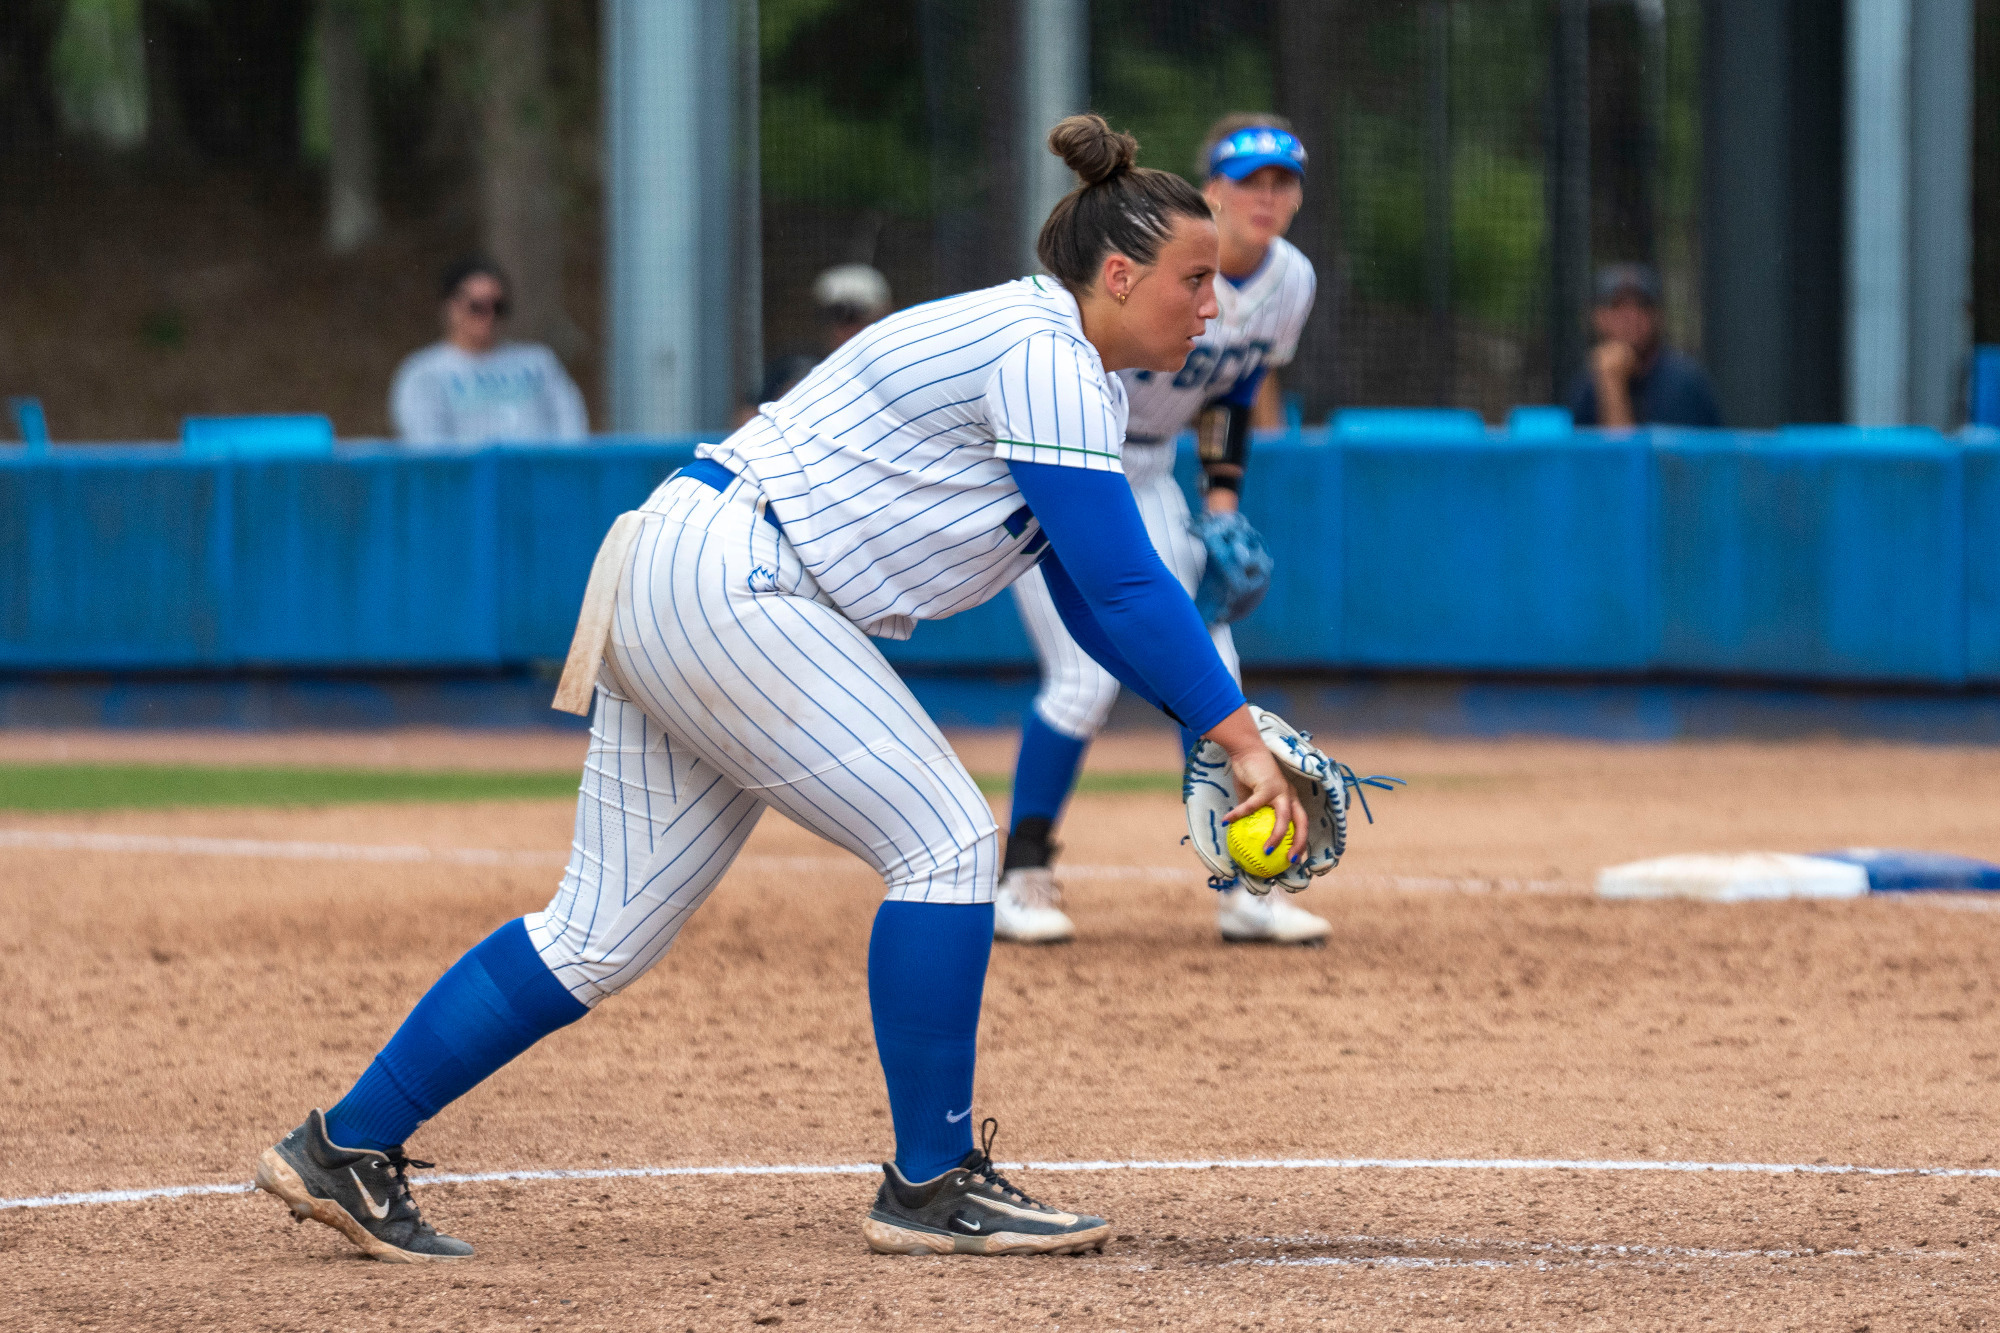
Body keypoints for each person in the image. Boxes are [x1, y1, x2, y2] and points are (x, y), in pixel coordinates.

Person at [252, 114, 1308, 1263]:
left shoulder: (1074, 378)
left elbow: (1102, 608)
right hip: (738, 579)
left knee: (596, 931)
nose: (1210, 308)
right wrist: (1237, 737)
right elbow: (1122, 581)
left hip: (692, 564)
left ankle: (343, 1145)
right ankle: (930, 1180)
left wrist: (1217, 733)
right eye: (1190, 280)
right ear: (1116, 274)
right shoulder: (1045, 352)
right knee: (949, 844)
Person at [995, 113, 1326, 947]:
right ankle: (1023, 871)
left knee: (1211, 662)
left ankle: (1249, 882)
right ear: (1211, 188)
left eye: (1282, 181)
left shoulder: (1290, 282)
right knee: (1082, 678)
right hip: (1060, 454)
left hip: (1149, 469)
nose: (1267, 195)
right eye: (1250, 180)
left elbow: (1236, 391)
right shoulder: (1156, 252)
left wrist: (1221, 500)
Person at [391, 257, 589, 447]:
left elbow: (572, 429)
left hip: (540, 478)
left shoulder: (539, 361)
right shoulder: (423, 373)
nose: (489, 316)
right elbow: (429, 447)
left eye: (498, 307)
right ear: (451, 307)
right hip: (470, 480)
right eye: (477, 307)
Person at [1565, 263, 1720, 429]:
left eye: (1642, 306)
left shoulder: (1683, 383)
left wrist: (1612, 382)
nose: (1630, 317)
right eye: (1617, 305)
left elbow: (1630, 453)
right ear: (1598, 317)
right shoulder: (1588, 384)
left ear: (1658, 316)